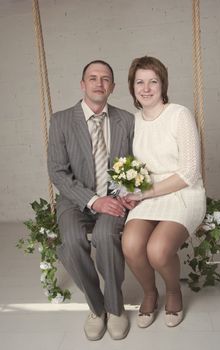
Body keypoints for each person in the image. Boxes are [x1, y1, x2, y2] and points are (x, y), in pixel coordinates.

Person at [47, 60, 135, 341]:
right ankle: (97, 308)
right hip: (76, 200)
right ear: (83, 84)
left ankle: (115, 307)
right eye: (93, 78)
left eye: (106, 78)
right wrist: (94, 201)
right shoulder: (61, 120)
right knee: (71, 240)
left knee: (106, 235)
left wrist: (128, 194)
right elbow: (58, 173)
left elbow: (137, 164)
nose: (99, 83)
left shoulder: (127, 120)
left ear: (113, 87)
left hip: (114, 199)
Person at [122, 56, 206, 329]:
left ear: (163, 85)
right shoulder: (132, 122)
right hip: (148, 193)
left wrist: (144, 194)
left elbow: (189, 172)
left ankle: (173, 291)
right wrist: (129, 190)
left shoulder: (179, 114)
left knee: (157, 250)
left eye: (153, 82)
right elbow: (131, 167)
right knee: (131, 246)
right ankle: (149, 292)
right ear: (132, 87)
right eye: (140, 82)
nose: (146, 88)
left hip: (182, 192)